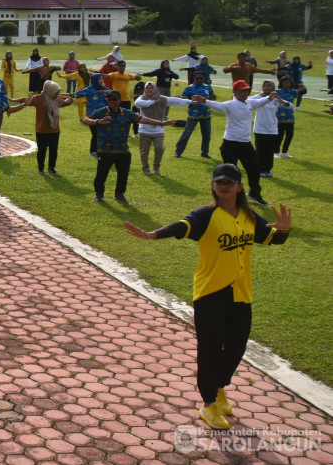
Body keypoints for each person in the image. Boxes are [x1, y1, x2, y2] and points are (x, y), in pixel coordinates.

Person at [123, 165, 291, 431]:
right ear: (213, 186)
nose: (223, 186)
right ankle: (209, 403)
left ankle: (218, 386)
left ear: (239, 187)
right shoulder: (205, 215)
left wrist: (283, 230)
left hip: (240, 292)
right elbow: (183, 226)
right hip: (210, 293)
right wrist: (154, 234)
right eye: (218, 182)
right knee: (210, 350)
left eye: (229, 182)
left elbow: (273, 239)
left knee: (237, 346)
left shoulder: (248, 216)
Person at [190, 80, 278, 206]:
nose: (245, 93)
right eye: (242, 90)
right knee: (231, 173)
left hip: (245, 144)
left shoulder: (250, 103)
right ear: (235, 91)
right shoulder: (230, 104)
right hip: (231, 143)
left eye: (247, 90)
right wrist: (204, 100)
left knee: (254, 169)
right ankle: (232, 197)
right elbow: (216, 105)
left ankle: (255, 193)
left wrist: (269, 98)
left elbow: (260, 102)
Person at [83, 91, 175, 204]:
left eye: (114, 99)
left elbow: (142, 119)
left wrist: (161, 123)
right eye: (109, 99)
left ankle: (119, 194)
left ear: (120, 100)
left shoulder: (127, 113)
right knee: (101, 174)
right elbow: (85, 119)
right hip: (105, 150)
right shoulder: (102, 112)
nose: (111, 101)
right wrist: (97, 121)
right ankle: (99, 194)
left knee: (123, 174)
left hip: (122, 150)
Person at [22, 80, 73, 175]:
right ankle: (40, 168)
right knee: (42, 150)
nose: (57, 94)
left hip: (54, 130)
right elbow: (25, 100)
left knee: (54, 150)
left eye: (58, 92)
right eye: (56, 92)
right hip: (41, 130)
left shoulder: (57, 98)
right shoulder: (39, 98)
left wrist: (66, 101)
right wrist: (12, 100)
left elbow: (70, 99)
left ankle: (51, 168)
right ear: (49, 90)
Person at [250, 79, 291, 179]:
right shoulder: (258, 97)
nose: (267, 87)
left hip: (272, 128)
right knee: (260, 150)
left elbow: (290, 106)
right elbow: (247, 101)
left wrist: (282, 101)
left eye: (269, 86)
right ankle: (260, 169)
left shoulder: (276, 98)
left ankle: (267, 170)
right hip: (260, 128)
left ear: (273, 87)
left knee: (269, 151)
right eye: (265, 86)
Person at [173, 70, 216, 159]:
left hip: (206, 115)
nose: (199, 80)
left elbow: (212, 98)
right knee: (186, 134)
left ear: (204, 78)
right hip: (193, 115)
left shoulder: (208, 87)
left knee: (207, 136)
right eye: (197, 78)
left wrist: (213, 98)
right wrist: (180, 99)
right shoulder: (189, 88)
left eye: (201, 78)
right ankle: (178, 151)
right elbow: (184, 99)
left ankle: (204, 152)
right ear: (194, 78)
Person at [133, 82, 170, 175]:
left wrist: (189, 102)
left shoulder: (161, 98)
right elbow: (137, 103)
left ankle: (156, 167)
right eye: (147, 88)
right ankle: (146, 168)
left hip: (158, 130)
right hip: (144, 130)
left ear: (155, 89)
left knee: (159, 148)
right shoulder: (142, 98)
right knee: (144, 151)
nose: (149, 90)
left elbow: (175, 100)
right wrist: (153, 102)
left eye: (151, 88)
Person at [74, 73, 111, 157]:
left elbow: (116, 94)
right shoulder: (89, 89)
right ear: (95, 80)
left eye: (102, 79)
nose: (101, 81)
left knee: (103, 133)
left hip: (104, 116)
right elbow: (77, 94)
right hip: (92, 116)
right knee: (95, 134)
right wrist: (64, 95)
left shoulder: (105, 89)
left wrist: (107, 92)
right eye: (99, 79)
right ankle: (93, 151)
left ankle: (102, 150)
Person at [274, 75, 298, 158]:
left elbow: (302, 92)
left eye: (289, 82)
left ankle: (284, 152)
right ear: (281, 83)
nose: (287, 84)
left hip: (290, 117)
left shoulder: (292, 92)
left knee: (289, 135)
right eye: (285, 82)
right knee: (279, 135)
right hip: (280, 117)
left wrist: (303, 88)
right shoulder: (277, 92)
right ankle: (276, 152)